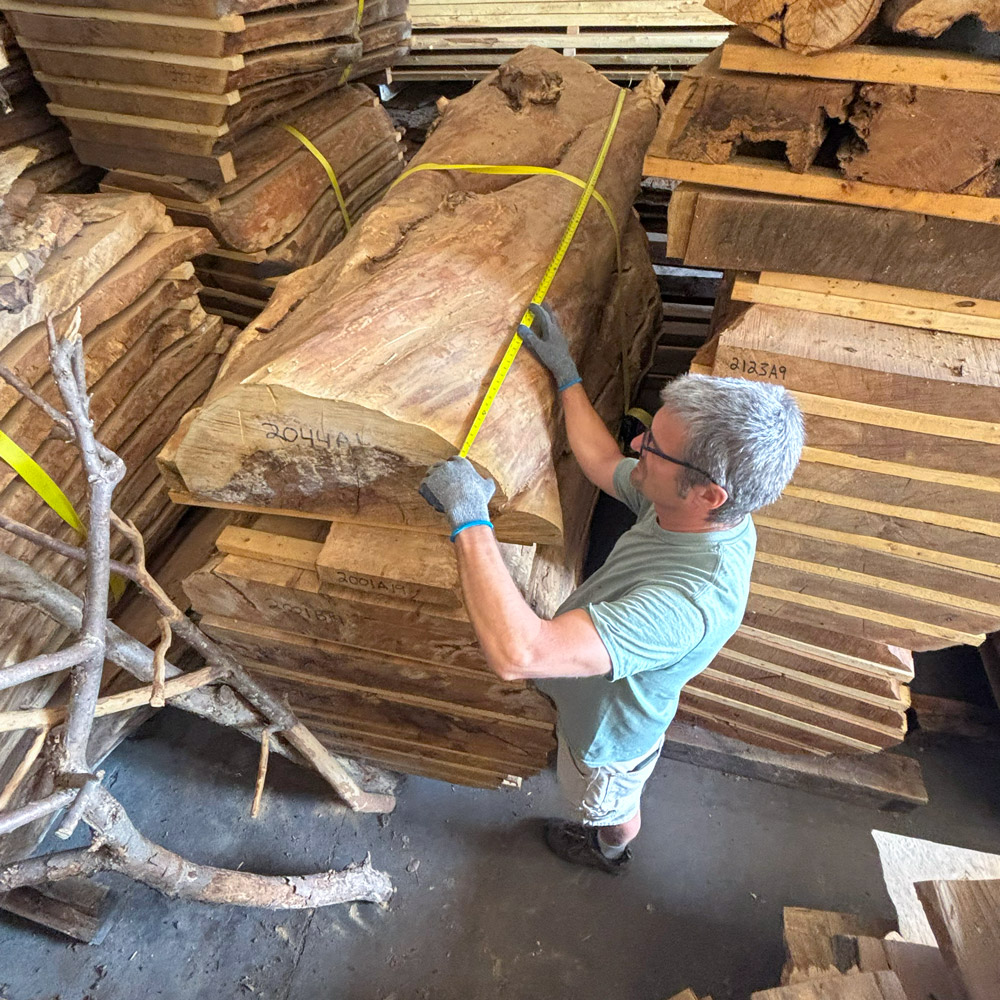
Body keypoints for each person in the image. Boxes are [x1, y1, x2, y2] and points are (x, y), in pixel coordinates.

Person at [419, 303, 804, 874]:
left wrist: (469, 516)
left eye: (655, 447)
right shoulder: (684, 505)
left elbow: (519, 653)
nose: (638, 442)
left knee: (606, 802)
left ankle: (611, 850)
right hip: (591, 688)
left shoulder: (687, 603)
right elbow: (601, 460)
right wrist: (566, 375)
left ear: (709, 494)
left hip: (606, 740)